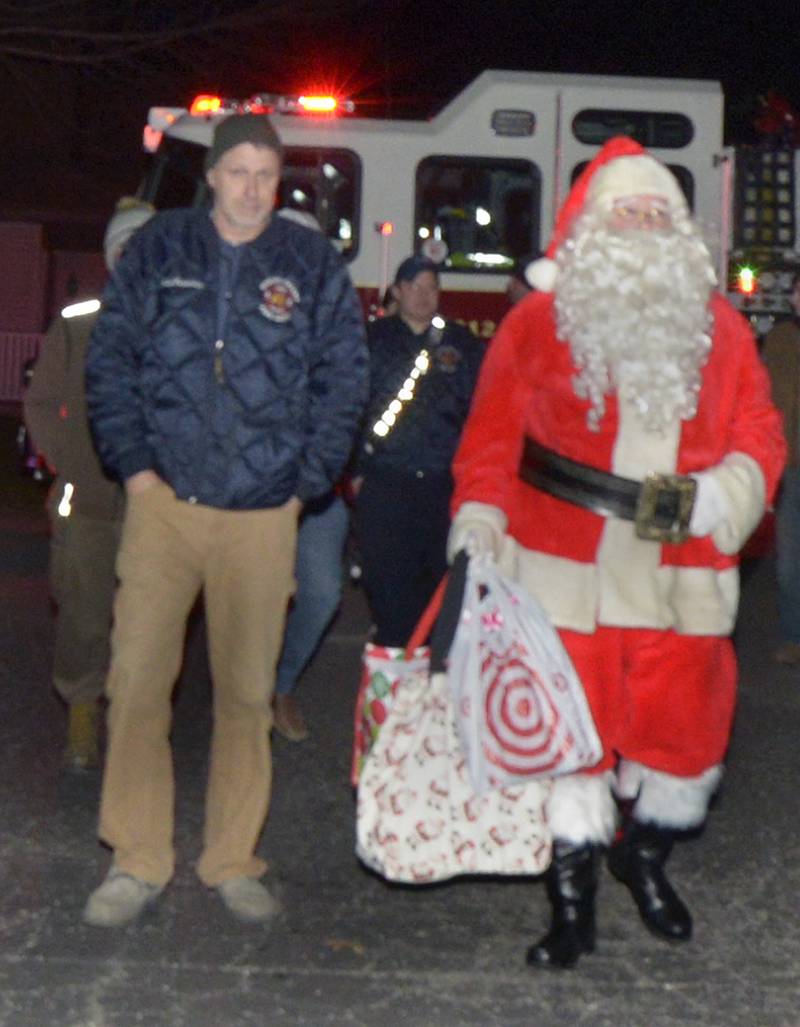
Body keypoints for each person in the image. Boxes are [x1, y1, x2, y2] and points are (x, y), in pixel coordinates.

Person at [448, 136, 786, 969]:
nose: (641, 224)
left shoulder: (723, 330)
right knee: (575, 741)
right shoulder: (537, 322)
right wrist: (480, 519)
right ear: (592, 228)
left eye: (656, 212)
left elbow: (762, 435)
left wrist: (725, 494)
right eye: (625, 211)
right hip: (570, 572)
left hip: (682, 573)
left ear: (679, 232)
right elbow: (491, 437)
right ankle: (573, 904)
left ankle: (644, 855)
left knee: (685, 739)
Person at [82, 113, 368, 927]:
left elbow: (343, 377)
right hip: (165, 505)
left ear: (281, 183)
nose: (251, 188)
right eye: (237, 171)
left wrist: (303, 484)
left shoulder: (309, 263)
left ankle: (232, 857)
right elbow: (111, 358)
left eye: (266, 175)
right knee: (137, 681)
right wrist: (134, 466)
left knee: (245, 692)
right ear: (211, 174)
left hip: (261, 513)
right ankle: (135, 857)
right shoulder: (161, 249)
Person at [23, 198, 154, 769]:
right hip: (88, 498)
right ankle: (82, 711)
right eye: (126, 247)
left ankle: (133, 725)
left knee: (147, 620)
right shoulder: (78, 324)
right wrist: (69, 461)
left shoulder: (182, 327)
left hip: (157, 505)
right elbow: (40, 401)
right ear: (112, 256)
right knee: (82, 613)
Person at [354, 255, 484, 647]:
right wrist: (355, 471)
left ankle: (435, 680)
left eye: (431, 287)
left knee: (440, 589)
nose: (423, 295)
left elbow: (480, 409)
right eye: (414, 286)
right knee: (389, 586)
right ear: (397, 291)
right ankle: (396, 675)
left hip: (442, 485)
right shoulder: (372, 340)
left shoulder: (460, 344)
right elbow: (349, 407)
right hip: (387, 481)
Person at [761, 272, 800, 664]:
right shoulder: (780, 340)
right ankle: (795, 636)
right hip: (791, 466)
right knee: (790, 559)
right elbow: (769, 399)